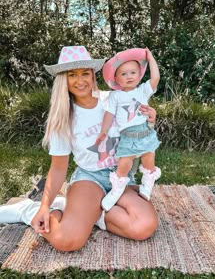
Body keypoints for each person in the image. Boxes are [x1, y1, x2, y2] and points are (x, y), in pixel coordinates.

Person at [0, 46, 158, 252]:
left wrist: (150, 119)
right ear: (63, 80)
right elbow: (58, 168)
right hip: (89, 178)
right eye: (72, 75)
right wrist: (44, 206)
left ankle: (90, 212)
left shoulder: (114, 99)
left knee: (143, 226)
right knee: (68, 241)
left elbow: (139, 132)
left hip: (120, 178)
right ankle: (27, 210)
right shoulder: (63, 117)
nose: (80, 80)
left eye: (85, 73)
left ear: (93, 75)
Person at [95, 48, 161, 211]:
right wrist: (104, 131)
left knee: (148, 161)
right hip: (128, 137)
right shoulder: (115, 96)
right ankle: (117, 189)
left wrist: (151, 58)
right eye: (123, 74)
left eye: (133, 72)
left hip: (145, 134)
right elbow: (109, 115)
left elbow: (156, 77)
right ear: (116, 79)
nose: (129, 76)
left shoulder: (143, 90)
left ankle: (147, 182)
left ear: (139, 74)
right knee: (124, 163)